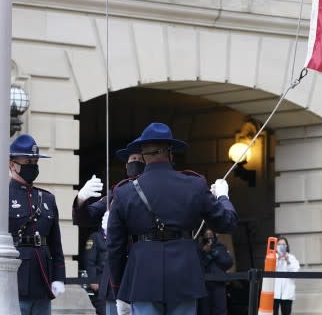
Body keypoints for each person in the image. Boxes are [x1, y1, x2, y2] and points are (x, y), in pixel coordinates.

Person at [107, 122, 238, 315]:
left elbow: (114, 247)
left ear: (143, 154)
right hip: (184, 276)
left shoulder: (124, 192)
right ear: (170, 152)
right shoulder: (194, 185)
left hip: (143, 277)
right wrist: (223, 197)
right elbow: (227, 222)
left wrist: (119, 291)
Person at [74, 145, 146, 315]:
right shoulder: (115, 193)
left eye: (140, 159)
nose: (135, 163)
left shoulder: (152, 191)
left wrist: (116, 226)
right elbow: (85, 217)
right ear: (125, 165)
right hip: (115, 273)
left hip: (141, 270)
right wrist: (81, 199)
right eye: (132, 160)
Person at [8, 133, 66, 315]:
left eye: (35, 163)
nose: (33, 167)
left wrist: (58, 277)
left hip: (42, 282)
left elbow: (55, 243)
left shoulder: (47, 199)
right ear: (12, 165)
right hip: (14, 282)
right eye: (28, 163)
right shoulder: (3, 196)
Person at [197, 228, 234, 315]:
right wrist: (206, 254)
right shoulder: (199, 249)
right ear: (202, 237)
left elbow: (228, 263)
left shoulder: (221, 247)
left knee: (220, 310)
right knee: (204, 310)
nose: (209, 238)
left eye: (211, 235)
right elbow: (200, 265)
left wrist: (214, 253)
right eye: (206, 236)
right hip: (204, 285)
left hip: (218, 284)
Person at [83, 211, 109, 315]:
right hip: (101, 279)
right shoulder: (95, 237)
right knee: (103, 310)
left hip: (113, 280)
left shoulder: (118, 236)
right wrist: (93, 280)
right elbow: (89, 260)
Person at [272, 236, 300, 315]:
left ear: (287, 246)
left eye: (283, 245)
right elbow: (269, 269)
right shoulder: (273, 257)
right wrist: (278, 259)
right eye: (279, 245)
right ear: (276, 246)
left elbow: (295, 272)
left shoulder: (292, 258)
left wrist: (287, 261)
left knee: (286, 312)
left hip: (287, 291)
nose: (281, 247)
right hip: (274, 292)